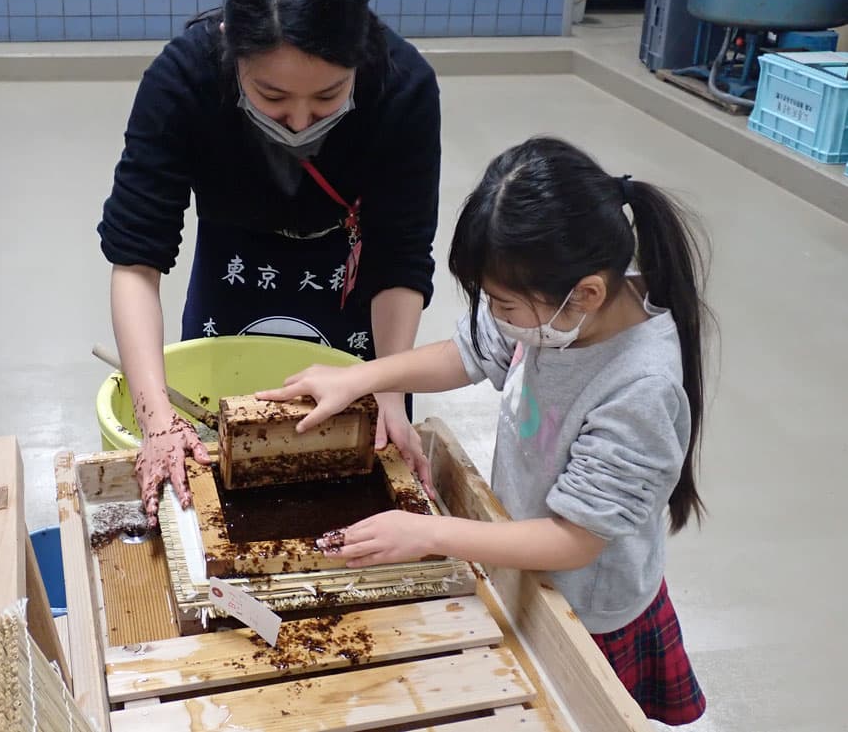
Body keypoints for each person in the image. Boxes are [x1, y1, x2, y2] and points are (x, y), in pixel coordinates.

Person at [260, 137, 709, 725]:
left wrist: (430, 533)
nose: (495, 318)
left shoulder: (639, 388)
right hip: (525, 553)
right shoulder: (560, 301)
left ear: (586, 296)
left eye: (503, 305)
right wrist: (362, 378)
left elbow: (576, 540)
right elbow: (467, 353)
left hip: (587, 607)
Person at [99, 0, 441, 524]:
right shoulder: (184, 79)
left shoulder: (402, 87)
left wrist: (389, 391)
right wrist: (158, 418)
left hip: (351, 271)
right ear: (233, 49)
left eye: (328, 96)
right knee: (221, 451)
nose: (301, 121)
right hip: (236, 257)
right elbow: (136, 261)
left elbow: (400, 259)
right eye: (273, 97)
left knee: (352, 462)